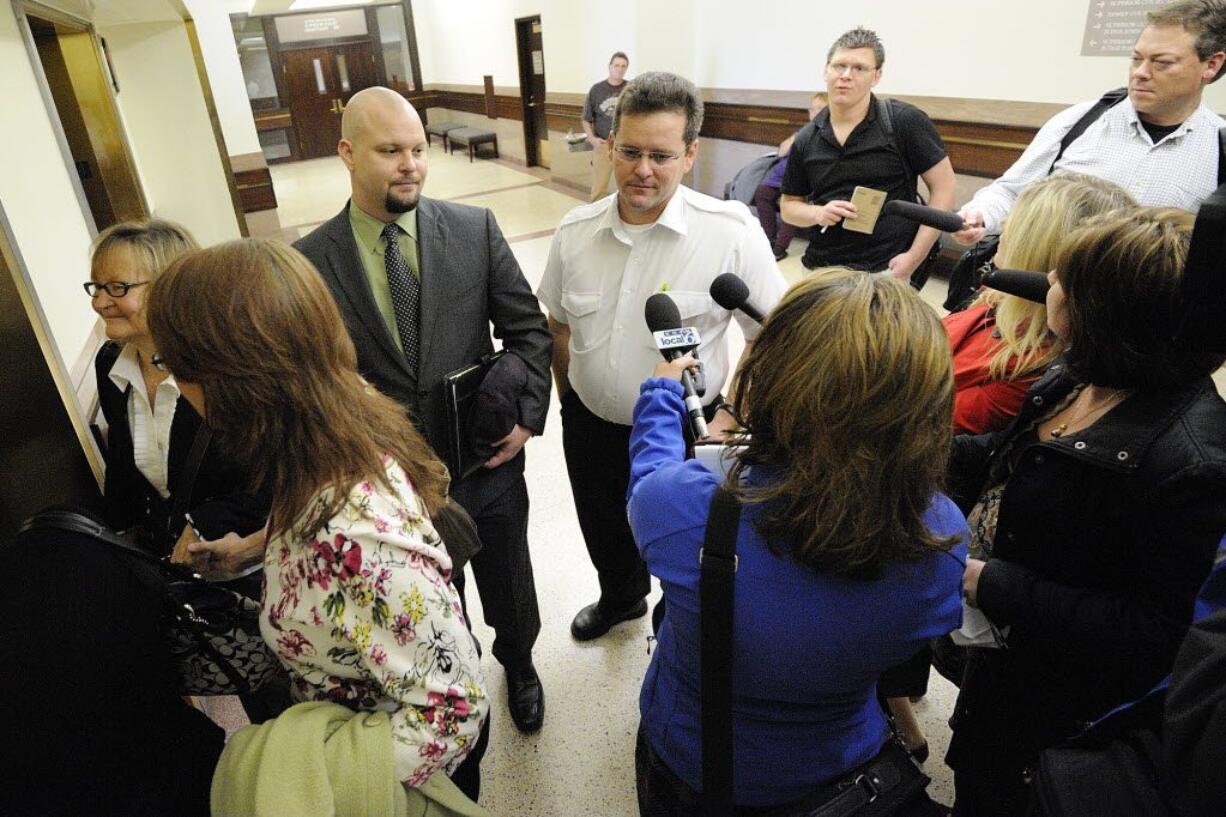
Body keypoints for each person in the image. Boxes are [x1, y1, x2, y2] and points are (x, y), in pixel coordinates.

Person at [146, 239, 490, 800]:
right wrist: (257, 548)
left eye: (172, 364)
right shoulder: (326, 421)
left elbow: (453, 713)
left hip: (395, 785)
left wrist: (300, 780)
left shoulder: (350, 532)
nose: (175, 385)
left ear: (229, 378)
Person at [628, 269, 966, 812]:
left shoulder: (687, 507)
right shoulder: (941, 535)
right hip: (839, 771)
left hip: (693, 762)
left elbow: (649, 478)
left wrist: (662, 393)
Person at [947, 207, 1226, 816]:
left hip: (1067, 712)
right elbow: (1004, 456)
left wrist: (992, 582)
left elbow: (1156, 634)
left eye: (1061, 280)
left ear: (1101, 312)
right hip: (1004, 667)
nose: (1047, 284)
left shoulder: (1192, 464)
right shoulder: (1079, 374)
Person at [294, 86, 552, 734]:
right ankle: (454, 676)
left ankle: (519, 663)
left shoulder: (473, 230)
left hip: (486, 461)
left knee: (510, 582)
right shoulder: (309, 264)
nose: (410, 163)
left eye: (417, 149)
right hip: (390, 487)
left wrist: (526, 417)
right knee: (433, 600)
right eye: (390, 150)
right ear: (348, 153)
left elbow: (529, 333)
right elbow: (314, 379)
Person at [536, 71, 788, 643]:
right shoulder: (576, 231)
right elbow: (557, 325)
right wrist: (570, 399)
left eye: (661, 155)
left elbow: (771, 337)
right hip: (592, 421)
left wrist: (729, 419)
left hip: (687, 429)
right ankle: (621, 598)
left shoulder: (730, 233)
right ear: (609, 144)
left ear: (690, 154)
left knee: (687, 543)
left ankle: (676, 618)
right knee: (603, 527)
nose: (642, 170)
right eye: (628, 151)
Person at [953, 0, 1226, 247]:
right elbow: (1009, 192)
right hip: (1041, 292)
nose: (1140, 73)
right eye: (1136, 59)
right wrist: (981, 214)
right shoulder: (1079, 122)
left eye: (1162, 63)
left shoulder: (1219, 149)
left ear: (1211, 65)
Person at [88, 219, 268, 563]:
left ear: (171, 288)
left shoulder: (229, 369)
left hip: (245, 569)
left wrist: (207, 522)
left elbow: (277, 481)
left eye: (117, 288)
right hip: (172, 577)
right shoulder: (110, 365)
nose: (99, 302)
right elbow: (124, 481)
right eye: (96, 287)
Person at [946, 173, 1137, 435]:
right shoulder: (999, 297)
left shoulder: (1032, 369)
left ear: (1040, 246)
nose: (1003, 222)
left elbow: (921, 421)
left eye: (1019, 219)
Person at [779, 27, 956, 280]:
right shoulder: (807, 138)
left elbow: (945, 188)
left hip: (886, 269)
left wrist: (914, 257)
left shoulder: (903, 121)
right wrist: (818, 213)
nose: (846, 75)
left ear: (876, 76)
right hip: (820, 269)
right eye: (839, 66)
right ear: (825, 70)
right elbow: (789, 206)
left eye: (859, 68)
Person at [751, 91, 827, 261]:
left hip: (803, 179)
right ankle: (769, 239)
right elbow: (781, 151)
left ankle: (780, 247)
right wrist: (797, 136)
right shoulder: (804, 131)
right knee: (762, 193)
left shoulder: (827, 133)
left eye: (820, 109)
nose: (814, 113)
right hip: (780, 176)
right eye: (812, 109)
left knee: (793, 202)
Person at [583, 51, 630, 202]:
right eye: (616, 65)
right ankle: (595, 220)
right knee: (599, 188)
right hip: (603, 145)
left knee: (628, 186)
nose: (620, 69)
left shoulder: (631, 90)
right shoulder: (597, 90)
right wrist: (592, 139)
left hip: (626, 146)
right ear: (609, 66)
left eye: (623, 66)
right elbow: (586, 118)